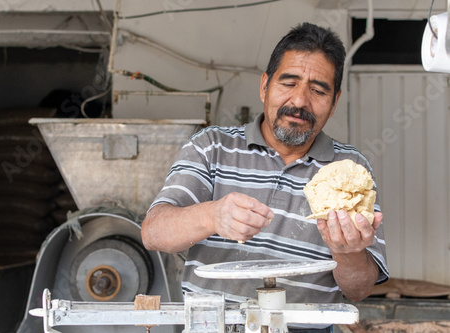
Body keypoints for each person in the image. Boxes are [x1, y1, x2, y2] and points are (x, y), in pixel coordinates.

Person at [141, 22, 388, 332]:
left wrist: (348, 251)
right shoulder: (211, 146)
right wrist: (214, 215)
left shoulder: (351, 170)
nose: (300, 101)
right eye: (289, 82)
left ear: (334, 102)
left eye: (318, 90)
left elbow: (359, 290)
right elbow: (153, 233)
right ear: (264, 86)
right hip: (213, 327)